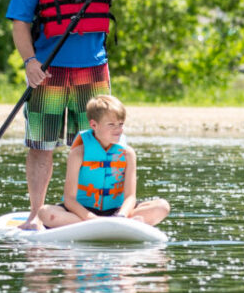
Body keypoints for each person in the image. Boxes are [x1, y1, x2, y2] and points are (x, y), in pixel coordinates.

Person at [6, 0, 153, 220]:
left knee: (99, 142)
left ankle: (99, 211)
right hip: (48, 71)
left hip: (93, 70)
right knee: (41, 145)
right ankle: (35, 216)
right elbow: (20, 22)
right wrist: (30, 63)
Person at [36, 94, 170, 229]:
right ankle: (122, 225)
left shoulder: (128, 154)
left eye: (121, 124)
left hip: (118, 212)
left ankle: (121, 223)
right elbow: (70, 199)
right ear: (94, 125)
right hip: (83, 213)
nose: (118, 130)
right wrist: (92, 218)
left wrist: (121, 215)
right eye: (111, 124)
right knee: (45, 213)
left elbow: (130, 197)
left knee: (162, 206)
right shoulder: (78, 154)